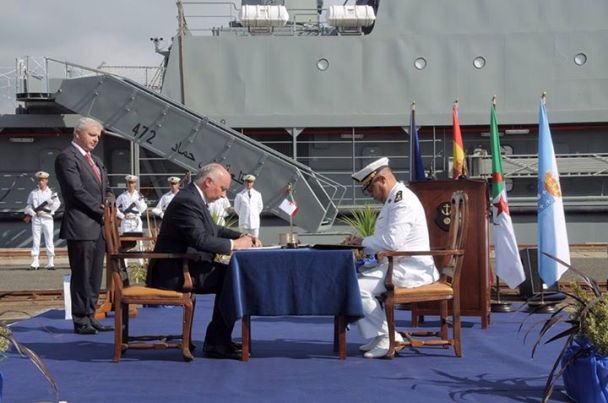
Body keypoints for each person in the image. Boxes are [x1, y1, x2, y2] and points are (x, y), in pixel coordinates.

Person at [147, 163, 260, 359]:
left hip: (186, 265)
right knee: (233, 278)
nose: (223, 195)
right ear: (208, 182)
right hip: (175, 272)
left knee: (231, 275)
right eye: (222, 188)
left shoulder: (193, 198)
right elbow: (200, 239)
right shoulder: (186, 201)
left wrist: (242, 235)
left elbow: (213, 229)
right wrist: (235, 244)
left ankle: (218, 341)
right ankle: (217, 343)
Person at [347, 157, 439, 358]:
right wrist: (363, 243)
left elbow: (392, 242)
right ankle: (380, 335)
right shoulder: (393, 200)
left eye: (370, 189)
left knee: (356, 289)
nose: (371, 195)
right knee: (353, 282)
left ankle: (388, 337)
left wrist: (362, 242)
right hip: (396, 264)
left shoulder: (402, 201)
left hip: (411, 268)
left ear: (382, 179)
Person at [55, 117, 113, 335]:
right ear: (77, 134)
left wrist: (110, 200)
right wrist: (101, 210)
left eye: (98, 136)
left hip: (98, 227)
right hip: (80, 225)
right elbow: (75, 191)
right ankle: (80, 320)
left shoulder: (96, 160)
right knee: (82, 274)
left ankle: (91, 315)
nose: (96, 139)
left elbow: (106, 188)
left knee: (95, 275)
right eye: (92, 135)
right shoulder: (67, 158)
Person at [24, 171, 61, 270]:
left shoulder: (52, 193)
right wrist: (31, 212)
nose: (41, 182)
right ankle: (35, 263)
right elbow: (28, 205)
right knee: (36, 240)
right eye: (39, 180)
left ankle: (50, 263)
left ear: (46, 181)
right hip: (36, 218)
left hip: (47, 218)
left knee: (49, 240)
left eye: (43, 180)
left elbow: (57, 204)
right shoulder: (33, 193)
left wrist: (50, 209)